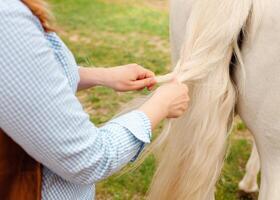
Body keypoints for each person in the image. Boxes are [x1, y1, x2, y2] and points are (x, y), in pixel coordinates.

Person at [0, 0, 190, 199]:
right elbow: (86, 160)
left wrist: (100, 76)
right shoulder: (7, 17)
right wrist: (161, 105)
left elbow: (21, 79)